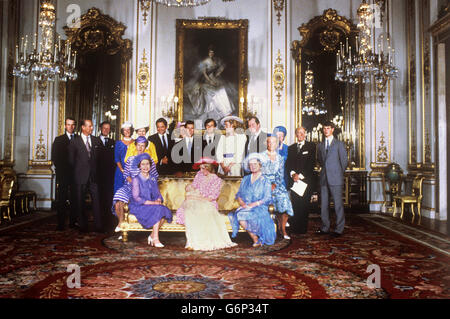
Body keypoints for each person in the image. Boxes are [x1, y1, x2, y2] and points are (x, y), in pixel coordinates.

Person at [175, 158, 237, 251]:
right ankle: (192, 242)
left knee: (201, 212)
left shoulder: (216, 180)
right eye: (200, 168)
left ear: (209, 167)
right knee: (189, 211)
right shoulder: (199, 175)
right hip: (196, 200)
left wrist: (194, 198)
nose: (201, 170)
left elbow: (211, 198)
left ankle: (201, 242)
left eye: (204, 168)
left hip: (208, 203)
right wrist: (188, 187)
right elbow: (194, 186)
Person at [228, 153, 276, 247]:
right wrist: (242, 203)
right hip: (245, 206)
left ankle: (259, 237)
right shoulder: (246, 178)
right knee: (240, 215)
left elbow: (267, 198)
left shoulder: (265, 180)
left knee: (242, 215)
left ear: (260, 165)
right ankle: (256, 239)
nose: (252, 166)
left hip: (259, 206)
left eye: (255, 164)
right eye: (250, 165)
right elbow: (239, 194)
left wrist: (253, 204)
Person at [112, 136, 158, 232]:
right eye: (139, 146)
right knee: (118, 197)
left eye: (143, 146)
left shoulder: (150, 160)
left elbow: (154, 176)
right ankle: (121, 223)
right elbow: (126, 174)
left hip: (144, 188)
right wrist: (133, 183)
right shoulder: (130, 159)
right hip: (130, 186)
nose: (140, 148)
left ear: (145, 147)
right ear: (135, 146)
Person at [128, 153, 173, 247]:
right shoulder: (136, 179)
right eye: (143, 164)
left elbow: (157, 193)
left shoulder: (153, 178)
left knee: (163, 209)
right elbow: (136, 198)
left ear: (150, 165)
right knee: (157, 209)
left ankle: (152, 235)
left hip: (151, 204)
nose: (145, 166)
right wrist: (153, 202)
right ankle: (156, 239)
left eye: (147, 164)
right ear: (139, 166)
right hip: (139, 206)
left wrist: (158, 199)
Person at [184, 45, 237, 122]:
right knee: (213, 93)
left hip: (214, 79)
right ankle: (214, 114)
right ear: (208, 53)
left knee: (222, 90)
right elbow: (204, 73)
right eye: (210, 52)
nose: (211, 54)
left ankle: (225, 112)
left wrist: (218, 73)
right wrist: (210, 81)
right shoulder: (205, 61)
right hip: (207, 81)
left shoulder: (215, 61)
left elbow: (221, 67)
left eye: (212, 52)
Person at [68, 119, 103, 233]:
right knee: (80, 201)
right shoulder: (75, 142)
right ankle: (82, 226)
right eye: (89, 126)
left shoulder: (96, 141)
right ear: (83, 127)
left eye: (92, 126)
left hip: (94, 176)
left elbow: (100, 160)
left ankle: (99, 226)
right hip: (80, 176)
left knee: (97, 200)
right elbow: (71, 161)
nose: (91, 128)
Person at [316, 121, 348, 238]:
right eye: (324, 128)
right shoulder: (320, 145)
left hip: (336, 178)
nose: (326, 130)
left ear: (333, 129)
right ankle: (325, 227)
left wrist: (337, 173)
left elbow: (344, 162)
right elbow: (320, 160)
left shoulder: (339, 144)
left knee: (338, 204)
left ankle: (339, 229)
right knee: (324, 205)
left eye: (328, 128)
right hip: (324, 178)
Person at [260, 135, 294, 240]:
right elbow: (258, 173)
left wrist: (275, 184)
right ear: (266, 143)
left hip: (276, 184)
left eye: (273, 142)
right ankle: (264, 231)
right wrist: (267, 185)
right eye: (269, 142)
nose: (271, 144)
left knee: (284, 199)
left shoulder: (279, 158)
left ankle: (282, 229)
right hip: (263, 184)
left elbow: (280, 174)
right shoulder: (261, 156)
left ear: (276, 144)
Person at [285, 127, 317, 234]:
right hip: (294, 181)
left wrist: (300, 176)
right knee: (295, 204)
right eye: (298, 133)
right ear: (295, 134)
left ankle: (302, 229)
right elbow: (288, 164)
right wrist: (293, 174)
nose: (300, 135)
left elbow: (311, 164)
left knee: (304, 205)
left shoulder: (311, 146)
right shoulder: (291, 148)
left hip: (305, 181)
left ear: (305, 134)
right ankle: (295, 228)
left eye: (302, 133)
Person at [51, 117, 77, 230]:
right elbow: (55, 157)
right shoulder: (59, 140)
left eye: (72, 125)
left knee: (75, 199)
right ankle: (60, 224)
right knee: (62, 199)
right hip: (63, 174)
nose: (70, 127)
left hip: (76, 174)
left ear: (74, 126)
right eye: (68, 124)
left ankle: (73, 222)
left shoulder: (78, 139)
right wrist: (61, 170)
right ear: (65, 126)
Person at [97, 121, 116, 232]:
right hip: (98, 176)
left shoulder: (113, 142)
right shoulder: (94, 141)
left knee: (109, 199)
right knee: (99, 200)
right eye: (104, 128)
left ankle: (109, 223)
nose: (106, 130)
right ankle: (100, 224)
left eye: (108, 128)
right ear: (100, 128)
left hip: (110, 177)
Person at [113, 122, 134, 194]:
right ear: (122, 131)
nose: (127, 131)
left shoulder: (135, 142)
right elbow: (117, 158)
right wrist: (122, 170)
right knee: (119, 191)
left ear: (131, 130)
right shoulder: (118, 143)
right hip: (121, 171)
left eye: (128, 129)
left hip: (132, 171)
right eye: (125, 130)